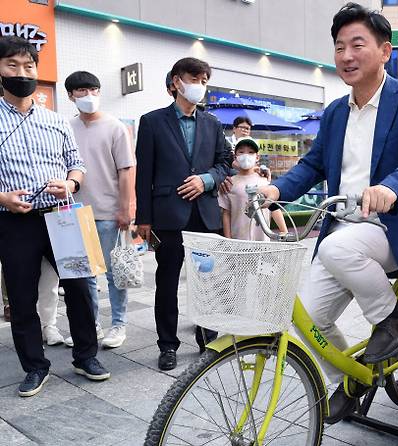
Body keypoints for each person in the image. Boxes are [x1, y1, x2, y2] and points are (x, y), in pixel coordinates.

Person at [258, 3, 398, 423]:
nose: (346, 56)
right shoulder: (337, 110)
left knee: (339, 249)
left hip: (391, 230)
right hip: (343, 230)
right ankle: (349, 380)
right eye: (339, 47)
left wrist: (391, 188)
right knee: (307, 321)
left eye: (358, 44)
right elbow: (313, 164)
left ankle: (394, 321)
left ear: (385, 51)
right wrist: (276, 190)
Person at [0, 36, 110, 397]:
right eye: (12, 66)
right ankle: (35, 366)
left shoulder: (56, 120)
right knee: (21, 297)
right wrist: (2, 197)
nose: (22, 73)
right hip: (14, 221)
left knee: (79, 287)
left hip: (61, 216)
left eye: (28, 66)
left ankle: (85, 355)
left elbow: (76, 165)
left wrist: (71, 183)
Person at [135, 57, 233, 370]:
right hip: (168, 216)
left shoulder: (212, 123)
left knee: (208, 279)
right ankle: (167, 345)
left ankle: (209, 337)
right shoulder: (152, 121)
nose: (199, 85)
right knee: (166, 282)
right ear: (177, 81)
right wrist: (144, 220)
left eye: (204, 79)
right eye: (194, 78)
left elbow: (224, 163)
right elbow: (144, 175)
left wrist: (206, 180)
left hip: (205, 216)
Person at [64, 71, 136, 349]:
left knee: (114, 272)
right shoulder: (66, 126)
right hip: (76, 213)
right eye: (81, 91)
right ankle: (90, 324)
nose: (88, 96)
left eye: (93, 89)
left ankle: (118, 324)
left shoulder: (116, 127)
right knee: (85, 275)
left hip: (109, 213)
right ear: (70, 95)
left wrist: (126, 208)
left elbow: (126, 171)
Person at [218, 137, 287, 240]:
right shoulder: (229, 183)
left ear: (257, 157)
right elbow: (226, 213)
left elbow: (274, 208)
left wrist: (284, 230)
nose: (246, 155)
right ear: (235, 156)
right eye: (241, 152)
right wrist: (228, 239)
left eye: (251, 152)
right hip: (239, 241)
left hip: (262, 240)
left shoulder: (265, 181)